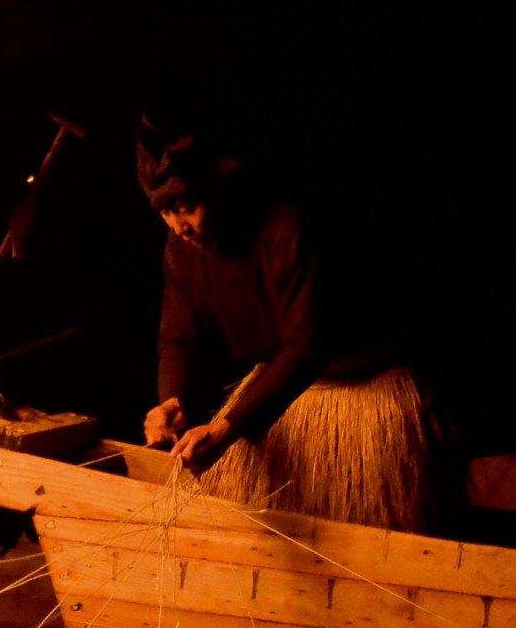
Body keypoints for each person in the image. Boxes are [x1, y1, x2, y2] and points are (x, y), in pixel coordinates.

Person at [136, 115, 444, 531]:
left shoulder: (285, 228)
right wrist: (170, 398)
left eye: (187, 208)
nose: (178, 226)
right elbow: (178, 333)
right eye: (165, 212)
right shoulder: (181, 246)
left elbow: (305, 347)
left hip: (357, 388)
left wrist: (228, 428)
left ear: (220, 194)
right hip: (276, 394)